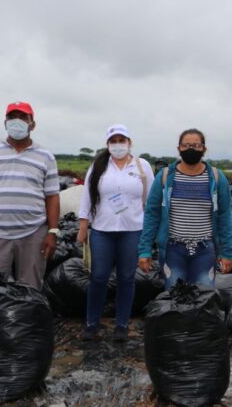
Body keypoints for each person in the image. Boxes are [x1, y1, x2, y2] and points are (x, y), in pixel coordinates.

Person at [0, 101, 60, 289]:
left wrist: (52, 232)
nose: (17, 121)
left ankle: (29, 318)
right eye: (12, 117)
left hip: (33, 233)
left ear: (32, 124)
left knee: (31, 288)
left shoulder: (45, 156)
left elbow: (52, 197)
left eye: (23, 117)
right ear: (5, 123)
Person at [77, 124, 154, 342]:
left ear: (130, 143)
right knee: (98, 277)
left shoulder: (142, 166)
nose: (118, 145)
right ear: (107, 144)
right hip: (103, 230)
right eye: (114, 141)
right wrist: (83, 225)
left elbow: (152, 200)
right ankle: (92, 324)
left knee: (126, 278)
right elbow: (87, 196)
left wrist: (151, 232)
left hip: (133, 230)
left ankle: (121, 325)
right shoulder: (99, 165)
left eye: (122, 140)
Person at [137, 129, 232, 289]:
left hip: (205, 250)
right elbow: (152, 214)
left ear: (203, 149)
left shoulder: (217, 178)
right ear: (179, 149)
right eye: (186, 145)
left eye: (196, 145)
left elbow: (225, 217)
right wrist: (144, 250)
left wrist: (227, 252)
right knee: (174, 298)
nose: (191, 149)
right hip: (173, 250)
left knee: (204, 298)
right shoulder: (165, 177)